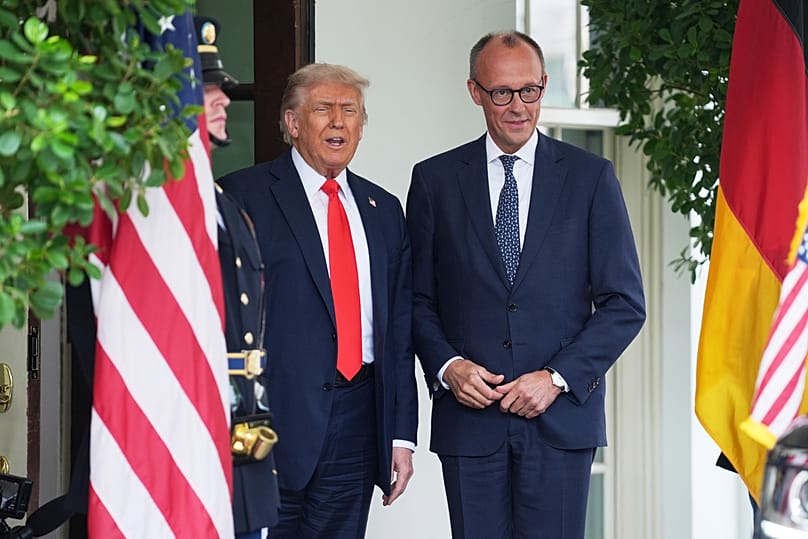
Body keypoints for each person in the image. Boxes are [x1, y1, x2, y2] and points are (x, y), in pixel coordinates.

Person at [406, 31, 646, 539]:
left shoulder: (590, 178)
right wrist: (448, 366)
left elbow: (624, 303)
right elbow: (416, 299)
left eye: (529, 91)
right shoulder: (434, 181)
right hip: (470, 424)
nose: (518, 107)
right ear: (475, 91)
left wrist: (556, 377)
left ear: (544, 85)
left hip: (560, 421)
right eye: (501, 93)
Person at [218, 63, 418, 538]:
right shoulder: (242, 197)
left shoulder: (384, 210)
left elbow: (399, 330)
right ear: (291, 123)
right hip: (268, 422)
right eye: (323, 109)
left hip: (359, 422)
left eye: (350, 111)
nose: (338, 122)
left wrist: (401, 434)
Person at [195, 16, 280, 539]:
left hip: (243, 435)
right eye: (207, 89)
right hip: (195, 437)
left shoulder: (224, 203)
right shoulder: (164, 210)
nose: (224, 98)